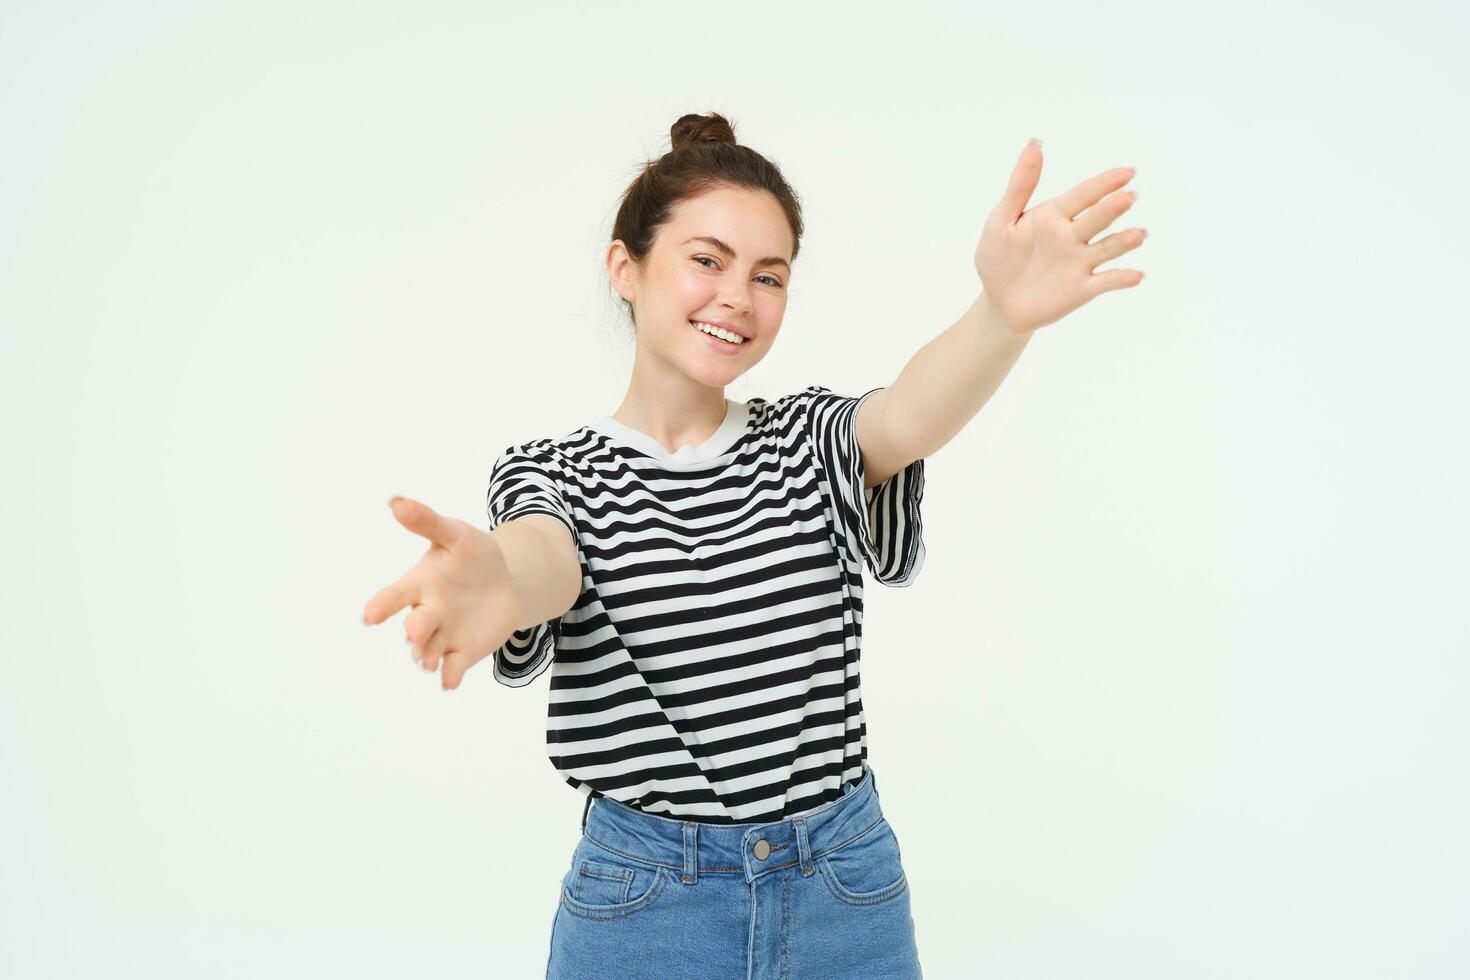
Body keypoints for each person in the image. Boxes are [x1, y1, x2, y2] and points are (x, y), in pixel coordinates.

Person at [361, 111, 1145, 979]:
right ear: (626, 266)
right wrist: (500, 583)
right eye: (707, 260)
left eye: (769, 276)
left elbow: (908, 415)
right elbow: (543, 555)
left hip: (843, 886)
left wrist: (1001, 316)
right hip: (647, 904)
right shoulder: (555, 473)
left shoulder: (806, 440)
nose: (738, 294)